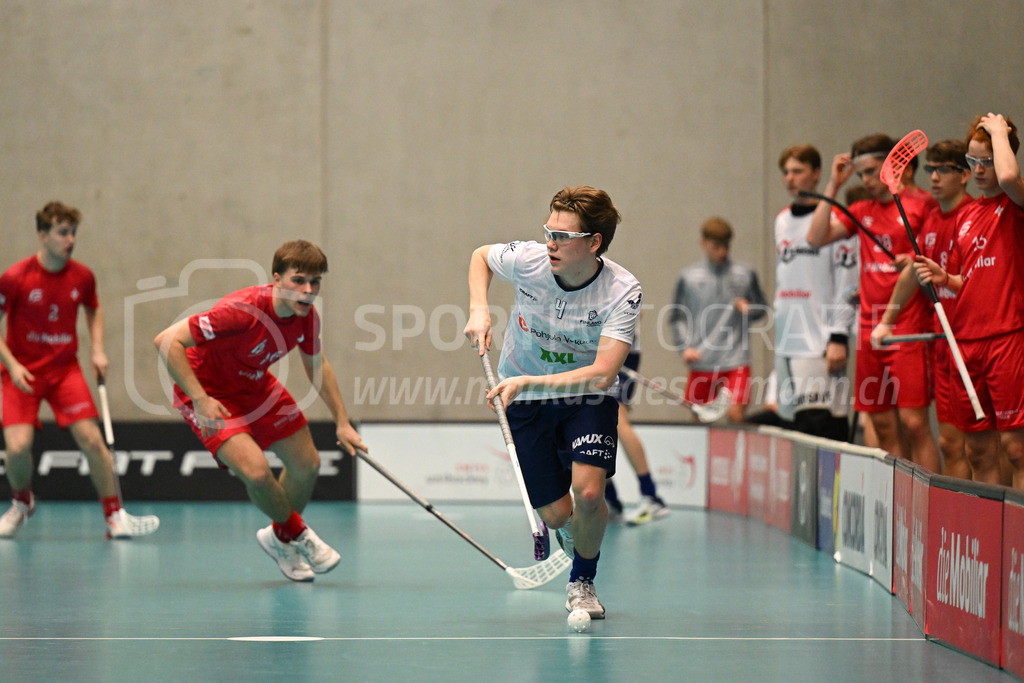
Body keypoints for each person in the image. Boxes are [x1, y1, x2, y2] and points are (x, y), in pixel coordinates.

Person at [464, 186, 640, 620]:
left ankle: (582, 581)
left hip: (584, 396)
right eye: (548, 232)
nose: (550, 243)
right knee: (560, 515)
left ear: (594, 242)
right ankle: (572, 534)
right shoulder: (529, 260)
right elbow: (481, 256)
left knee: (589, 493)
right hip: (525, 399)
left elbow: (603, 374)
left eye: (562, 236)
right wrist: (479, 309)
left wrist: (528, 381)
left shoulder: (622, 290)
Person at [153, 240, 366, 581]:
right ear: (276, 279)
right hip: (209, 391)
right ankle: (300, 535)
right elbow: (166, 340)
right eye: (298, 280)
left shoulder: (306, 318)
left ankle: (280, 539)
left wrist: (342, 422)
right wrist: (199, 398)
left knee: (307, 464)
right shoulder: (242, 311)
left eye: (315, 282)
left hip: (254, 385)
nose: (308, 291)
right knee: (255, 472)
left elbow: (316, 365)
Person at [0, 201, 159, 539]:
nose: (70, 239)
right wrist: (11, 365)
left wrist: (97, 349)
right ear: (42, 235)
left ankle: (114, 516)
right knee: (17, 448)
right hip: (23, 374)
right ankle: (22, 503)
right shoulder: (15, 278)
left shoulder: (82, 276)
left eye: (73, 232)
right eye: (62, 232)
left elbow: (94, 309)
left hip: (64, 373)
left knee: (91, 439)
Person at [807, 134, 940, 468]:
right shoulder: (862, 209)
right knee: (881, 423)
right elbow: (815, 237)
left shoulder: (923, 204)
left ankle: (927, 495)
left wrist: (916, 259)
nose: (865, 180)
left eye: (871, 171)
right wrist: (833, 185)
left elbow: (938, 254)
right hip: (869, 329)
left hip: (908, 327)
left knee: (914, 423)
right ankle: (900, 493)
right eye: (860, 174)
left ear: (893, 166)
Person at [909, 114, 1024, 488]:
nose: (978, 170)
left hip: (1007, 338)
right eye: (972, 161)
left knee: (1016, 449)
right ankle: (983, 523)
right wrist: (946, 278)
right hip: (966, 343)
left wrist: (999, 132)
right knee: (977, 450)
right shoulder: (967, 216)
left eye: (986, 161)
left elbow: (1009, 177)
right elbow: (973, 279)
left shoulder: (1015, 202)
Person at [870, 139, 974, 478]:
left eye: (944, 169)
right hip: (943, 343)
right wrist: (887, 321)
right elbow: (914, 271)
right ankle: (953, 507)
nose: (934, 177)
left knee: (983, 444)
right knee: (949, 443)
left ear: (965, 175)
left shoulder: (974, 216)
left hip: (973, 341)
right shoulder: (932, 219)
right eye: (931, 169)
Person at [773, 144, 858, 441]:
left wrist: (838, 336)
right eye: (786, 172)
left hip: (819, 342)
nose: (790, 178)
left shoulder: (835, 223)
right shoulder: (782, 220)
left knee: (822, 426)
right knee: (793, 427)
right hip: (787, 341)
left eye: (798, 171)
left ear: (816, 174)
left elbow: (846, 282)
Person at [668, 217, 767, 423]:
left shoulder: (745, 274)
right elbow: (676, 317)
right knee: (700, 420)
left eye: (726, 246)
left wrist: (750, 309)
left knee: (735, 415)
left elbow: (762, 308)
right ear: (703, 243)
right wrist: (685, 347)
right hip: (702, 360)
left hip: (735, 359)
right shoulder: (688, 277)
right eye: (716, 247)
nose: (722, 252)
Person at [603, 334, 669, 526]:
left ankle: (651, 497)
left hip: (617, 346)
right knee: (592, 419)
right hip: (589, 349)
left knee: (617, 416)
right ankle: (610, 500)